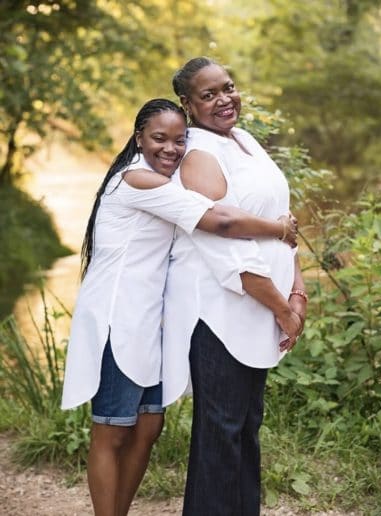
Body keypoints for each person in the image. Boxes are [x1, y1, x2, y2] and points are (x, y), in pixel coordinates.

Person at [61, 98, 299, 516]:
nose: (171, 149)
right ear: (139, 138)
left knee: (149, 427)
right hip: (118, 319)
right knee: (112, 431)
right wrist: (280, 228)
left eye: (179, 140)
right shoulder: (138, 181)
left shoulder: (161, 181)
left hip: (153, 323)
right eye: (159, 139)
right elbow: (220, 221)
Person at [161, 57, 307, 515]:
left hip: (259, 308)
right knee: (220, 432)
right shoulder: (199, 155)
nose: (224, 99)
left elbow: (284, 223)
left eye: (228, 87)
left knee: (246, 427)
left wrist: (297, 290)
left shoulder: (243, 140)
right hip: (219, 315)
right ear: (187, 104)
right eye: (208, 95)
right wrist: (282, 308)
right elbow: (227, 250)